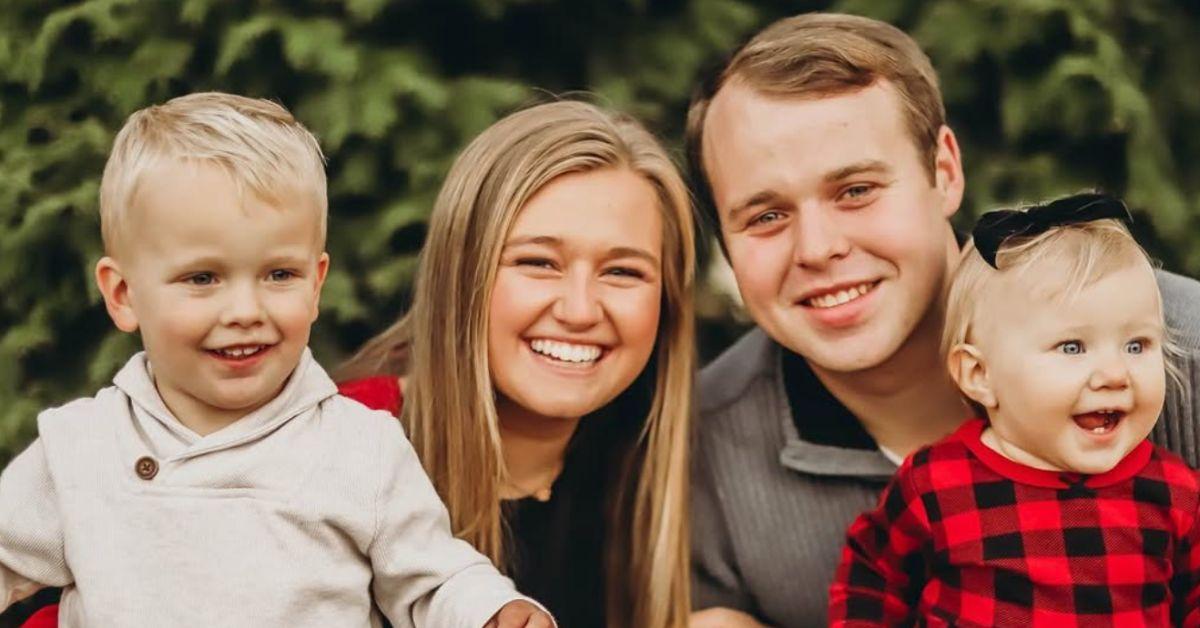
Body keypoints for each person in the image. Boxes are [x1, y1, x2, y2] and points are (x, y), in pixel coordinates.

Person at [684, 12, 1200, 626]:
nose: (817, 249)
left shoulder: (1180, 354)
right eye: (765, 216)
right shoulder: (703, 443)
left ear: (945, 172)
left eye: (856, 190)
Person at [0, 92, 553, 628]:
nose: (245, 310)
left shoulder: (358, 449)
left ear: (316, 285)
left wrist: (487, 611)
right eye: (202, 278)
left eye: (278, 275)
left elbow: (433, 579)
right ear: (123, 295)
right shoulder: (82, 449)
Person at [337, 99, 696, 628]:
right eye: (538, 262)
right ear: (462, 277)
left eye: (622, 271)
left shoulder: (662, 458)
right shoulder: (343, 448)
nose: (579, 310)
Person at [829, 193, 1200, 625]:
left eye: (1137, 345)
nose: (1115, 374)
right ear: (979, 375)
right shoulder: (936, 485)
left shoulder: (1174, 494)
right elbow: (872, 579)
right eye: (1072, 346)